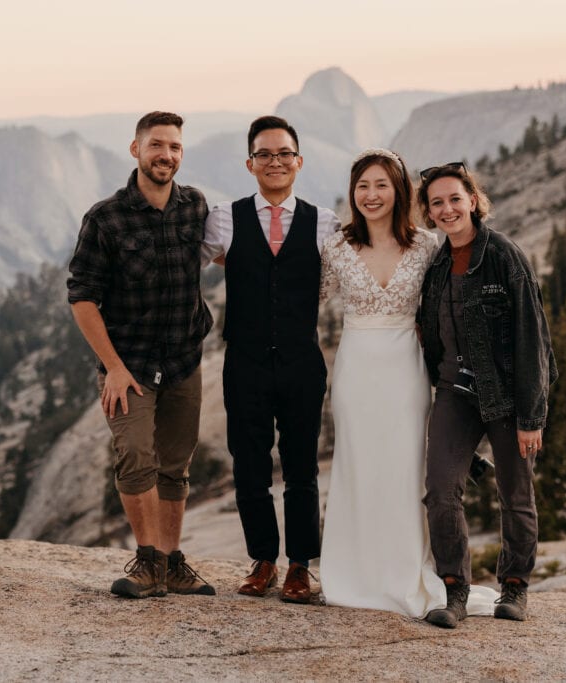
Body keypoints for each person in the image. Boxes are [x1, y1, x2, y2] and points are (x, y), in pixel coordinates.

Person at [318, 149, 498, 619]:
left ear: (399, 191)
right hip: (356, 371)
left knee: (404, 468)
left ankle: (404, 573)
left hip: (406, 370)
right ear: (353, 193)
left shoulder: (425, 245)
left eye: (381, 185)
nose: (371, 195)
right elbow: (304, 298)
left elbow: (446, 303)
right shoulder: (336, 247)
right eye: (362, 186)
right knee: (359, 467)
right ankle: (355, 574)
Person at [67, 111, 215, 599]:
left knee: (175, 464)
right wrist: (111, 366)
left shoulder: (194, 206)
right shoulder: (105, 218)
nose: (165, 155)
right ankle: (148, 561)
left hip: (183, 360)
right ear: (136, 150)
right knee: (134, 456)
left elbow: (223, 252)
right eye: (156, 145)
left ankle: (171, 563)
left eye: (174, 147)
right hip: (128, 365)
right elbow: (82, 297)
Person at [201, 116, 340, 604]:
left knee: (302, 467)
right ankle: (262, 560)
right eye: (264, 154)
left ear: (298, 161)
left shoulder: (325, 222)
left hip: (302, 362)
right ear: (250, 164)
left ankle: (300, 565)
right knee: (249, 465)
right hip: (245, 362)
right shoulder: (224, 218)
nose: (274, 161)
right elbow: (191, 261)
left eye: (283, 153)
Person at [416, 162, 557, 627]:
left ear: (473, 201)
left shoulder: (503, 256)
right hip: (454, 392)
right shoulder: (437, 264)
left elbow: (532, 337)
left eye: (455, 199)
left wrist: (532, 416)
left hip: (507, 394)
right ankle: (454, 590)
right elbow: (431, 334)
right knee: (441, 490)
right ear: (429, 211)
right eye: (437, 202)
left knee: (515, 492)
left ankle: (514, 588)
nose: (447, 209)